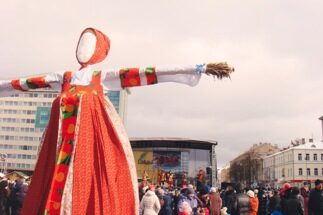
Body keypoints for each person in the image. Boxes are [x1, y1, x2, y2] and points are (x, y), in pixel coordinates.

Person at [0, 28, 233, 215]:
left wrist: (197, 68)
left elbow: (149, 72)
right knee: (57, 187)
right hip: (61, 147)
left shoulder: (100, 77)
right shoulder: (64, 78)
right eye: (81, 44)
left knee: (85, 184)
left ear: (98, 51)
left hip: (88, 144)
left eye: (89, 45)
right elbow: (24, 83)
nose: (83, 50)